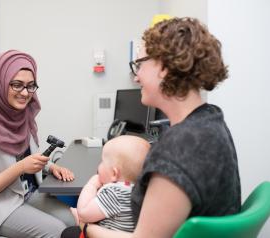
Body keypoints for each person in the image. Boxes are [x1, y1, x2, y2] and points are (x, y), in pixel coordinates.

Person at [63, 17, 241, 238]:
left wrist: (88, 228)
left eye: (139, 65)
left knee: (68, 232)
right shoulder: (211, 120)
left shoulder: (179, 148)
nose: (136, 76)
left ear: (163, 67)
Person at [0, 50, 76, 238]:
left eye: (30, 86)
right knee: (59, 232)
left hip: (25, 194)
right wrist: (19, 168)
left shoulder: (20, 115)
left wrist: (51, 167)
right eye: (17, 85)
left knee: (73, 222)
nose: (25, 93)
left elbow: (27, 156)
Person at [69, 135, 150, 234]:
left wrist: (92, 185)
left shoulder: (115, 192)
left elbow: (83, 213)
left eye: (102, 161)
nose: (99, 165)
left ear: (114, 174)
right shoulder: (142, 190)